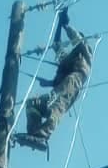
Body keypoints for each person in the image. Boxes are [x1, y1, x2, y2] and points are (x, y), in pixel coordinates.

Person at [19, 9, 93, 150]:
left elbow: (77, 40)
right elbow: (57, 44)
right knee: (33, 103)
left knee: (57, 105)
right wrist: (59, 24)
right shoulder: (67, 58)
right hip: (60, 87)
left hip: (73, 81)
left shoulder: (85, 53)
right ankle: (34, 134)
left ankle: (43, 135)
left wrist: (65, 25)